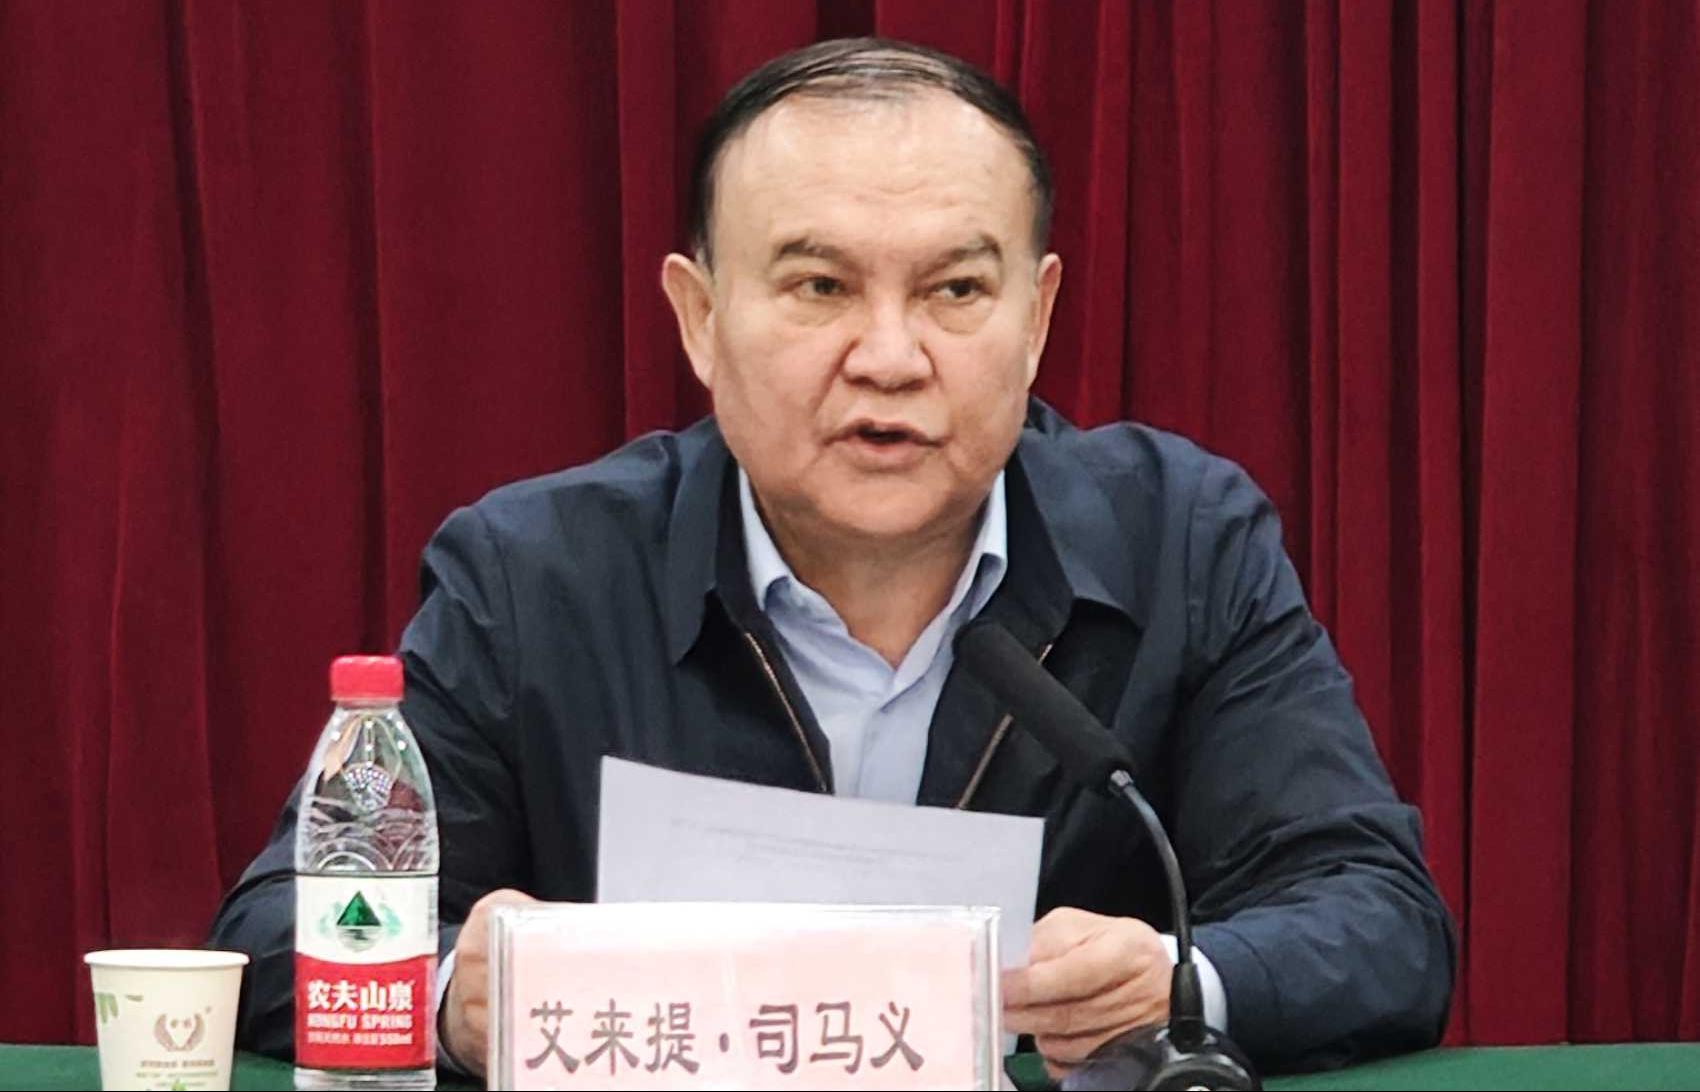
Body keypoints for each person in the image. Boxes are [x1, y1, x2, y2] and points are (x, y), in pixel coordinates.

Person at [209, 36, 1455, 1079]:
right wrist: (449, 996)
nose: (890, 358)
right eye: (818, 287)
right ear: (700, 318)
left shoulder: (1180, 540)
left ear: (1035, 318)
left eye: (955, 291)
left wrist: (1183, 980)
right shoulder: (534, 576)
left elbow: (1378, 916)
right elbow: (276, 930)